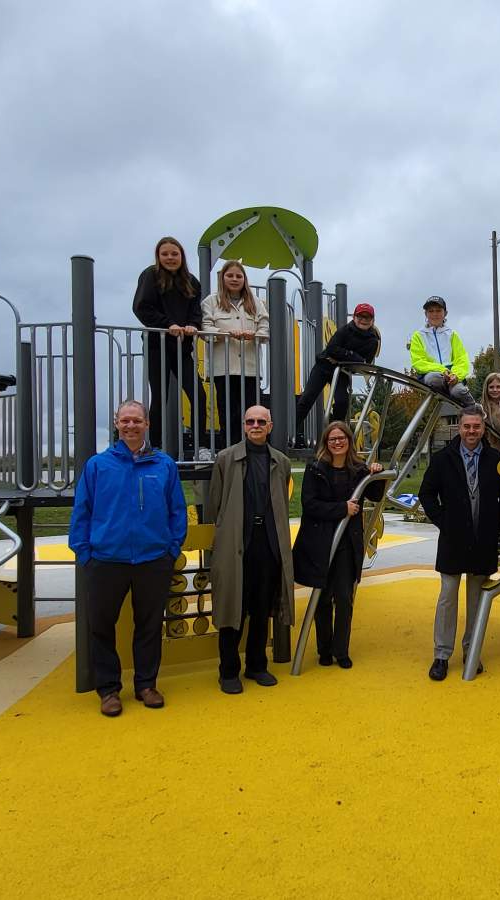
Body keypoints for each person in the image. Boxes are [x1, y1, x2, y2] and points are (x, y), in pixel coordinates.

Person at [68, 400, 187, 717]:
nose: (131, 426)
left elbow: (177, 510)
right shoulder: (97, 466)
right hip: (106, 561)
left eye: (137, 420)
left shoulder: (164, 465)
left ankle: (146, 684)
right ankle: (108, 690)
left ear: (147, 424)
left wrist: (171, 548)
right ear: (116, 424)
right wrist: (85, 553)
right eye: (125, 421)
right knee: (101, 627)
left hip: (153, 559)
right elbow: (82, 512)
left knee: (149, 626)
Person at [419, 407, 500, 680]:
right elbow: (426, 494)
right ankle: (441, 654)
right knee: (447, 597)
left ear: (483, 428)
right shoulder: (442, 459)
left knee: (477, 600)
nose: (471, 431)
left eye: (476, 426)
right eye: (467, 426)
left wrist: (495, 524)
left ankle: (472, 650)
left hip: (483, 541)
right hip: (452, 539)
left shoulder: (495, 459)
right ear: (458, 428)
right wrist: (443, 521)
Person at [205, 404, 296, 693]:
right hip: (236, 545)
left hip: (267, 544)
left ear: (270, 426)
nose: (255, 425)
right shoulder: (226, 458)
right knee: (234, 608)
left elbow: (281, 500)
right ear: (244, 426)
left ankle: (257, 665)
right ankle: (228, 671)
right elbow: (215, 504)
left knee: (261, 609)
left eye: (261, 421)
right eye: (250, 421)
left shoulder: (280, 462)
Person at [292, 421, 386, 667]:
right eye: (332, 439)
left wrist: (376, 474)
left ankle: (341, 650)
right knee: (322, 598)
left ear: (348, 441)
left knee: (344, 597)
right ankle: (324, 649)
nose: (337, 442)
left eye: (341, 438)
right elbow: (310, 505)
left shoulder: (358, 470)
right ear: (326, 443)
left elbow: (375, 495)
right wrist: (341, 509)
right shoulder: (316, 469)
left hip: (346, 543)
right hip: (320, 542)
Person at [132, 236, 212, 459]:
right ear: (158, 256)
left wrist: (193, 326)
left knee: (198, 394)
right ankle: (155, 446)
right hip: (158, 345)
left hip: (182, 347)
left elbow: (197, 311)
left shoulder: (192, 282)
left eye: (174, 254)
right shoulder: (151, 276)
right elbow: (141, 307)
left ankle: (201, 446)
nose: (170, 258)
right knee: (159, 396)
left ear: (181, 256)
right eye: (165, 254)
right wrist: (168, 325)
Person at [201, 260, 269, 446]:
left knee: (250, 411)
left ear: (244, 279)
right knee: (226, 410)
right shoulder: (211, 302)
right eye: (230, 275)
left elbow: (265, 330)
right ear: (222, 278)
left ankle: (251, 446)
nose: (234, 279)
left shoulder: (255, 302)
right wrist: (225, 334)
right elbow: (205, 330)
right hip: (223, 368)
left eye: (239, 276)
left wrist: (252, 335)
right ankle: (230, 448)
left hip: (250, 368)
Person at [294, 303, 381, 447]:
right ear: (354, 317)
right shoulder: (345, 330)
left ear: (372, 320)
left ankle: (336, 436)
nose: (363, 320)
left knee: (342, 402)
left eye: (367, 317)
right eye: (360, 316)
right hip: (324, 367)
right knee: (307, 398)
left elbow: (364, 363)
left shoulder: (372, 340)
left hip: (343, 372)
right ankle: (291, 433)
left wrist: (344, 356)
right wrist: (352, 356)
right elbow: (331, 350)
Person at [409, 296, 475, 408]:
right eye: (431, 311)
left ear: (445, 313)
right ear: (426, 314)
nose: (435, 314)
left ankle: (475, 408)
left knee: (459, 391)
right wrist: (442, 370)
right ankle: (446, 395)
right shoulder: (418, 336)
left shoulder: (452, 335)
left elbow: (461, 359)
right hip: (432, 374)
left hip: (452, 375)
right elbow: (418, 362)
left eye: (438, 310)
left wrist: (456, 375)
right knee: (434, 379)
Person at [479, 372, 500, 452]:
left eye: (498, 387)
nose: (495, 390)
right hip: (492, 450)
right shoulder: (483, 409)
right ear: (486, 389)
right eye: (491, 387)